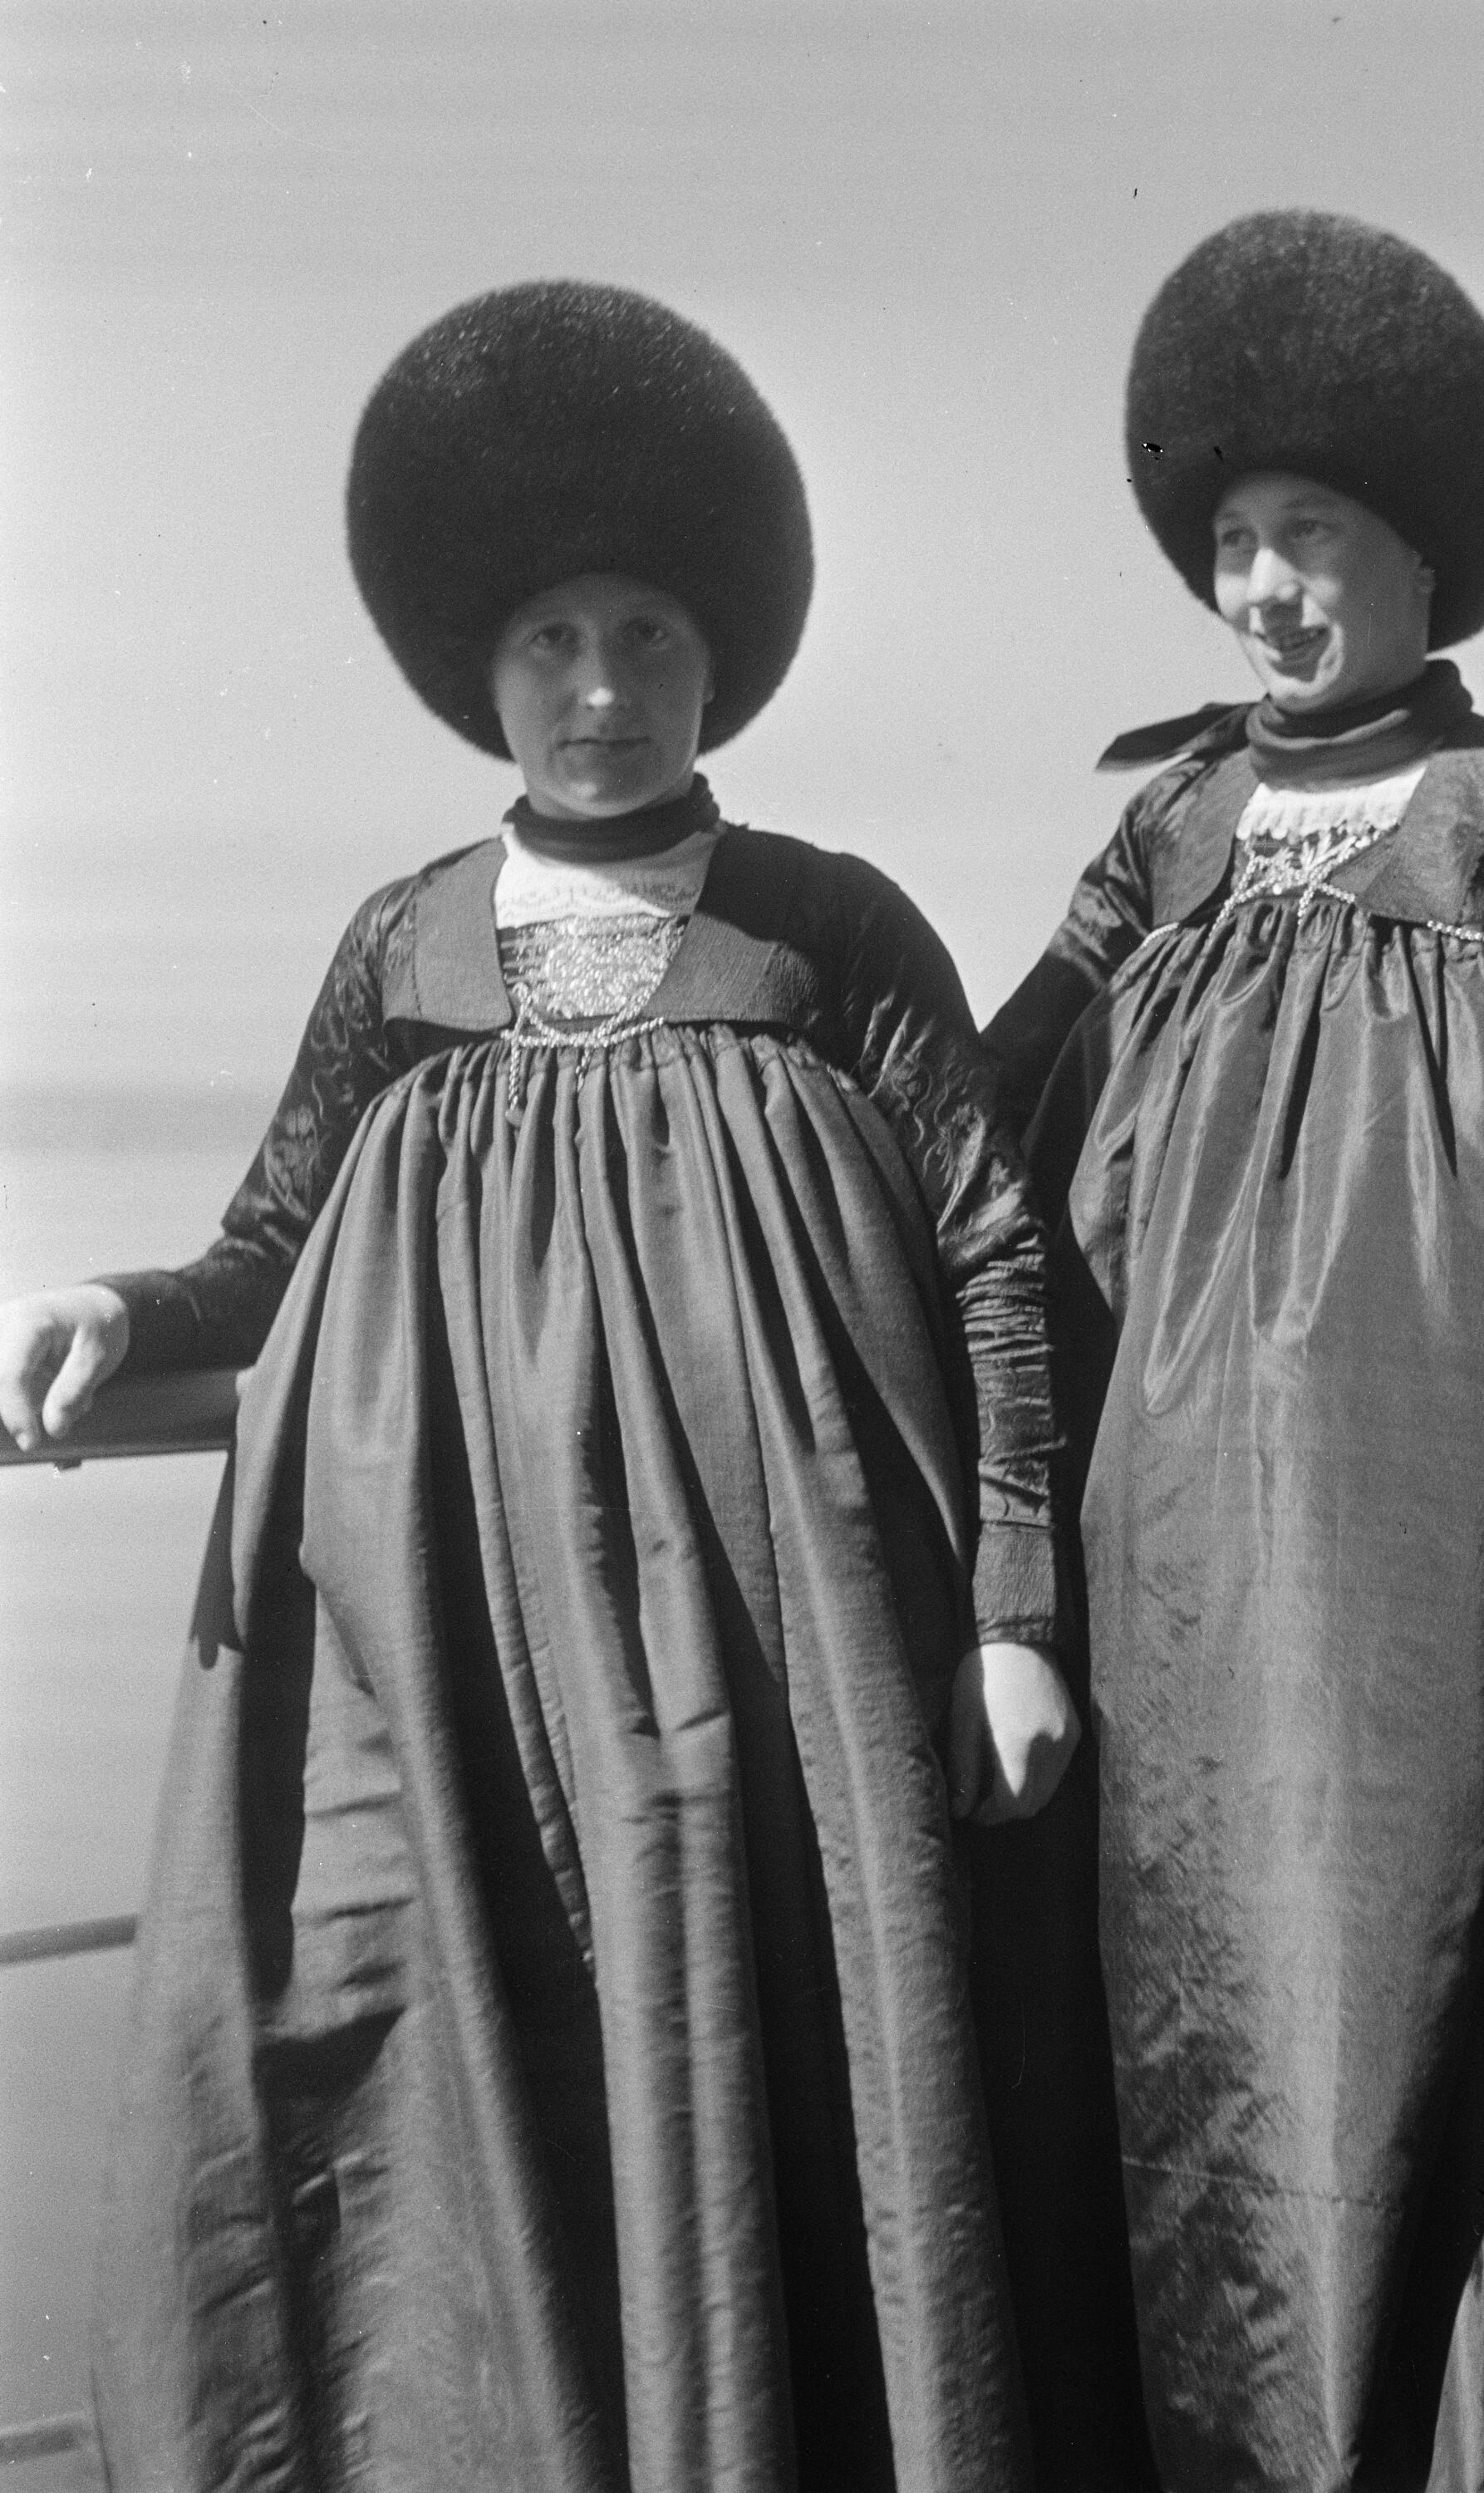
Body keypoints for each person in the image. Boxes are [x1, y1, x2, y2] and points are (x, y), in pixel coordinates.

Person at [0, 281, 1079, 2493]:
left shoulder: (829, 926)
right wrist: (120, 1307)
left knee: (779, 2084)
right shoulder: (401, 944)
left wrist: (1014, 1615)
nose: (600, 692)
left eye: (648, 638)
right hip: (475, 1669)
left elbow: (995, 1255)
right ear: (479, 667)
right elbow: (272, 1246)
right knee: (490, 2087)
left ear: (719, 656)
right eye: (552, 642)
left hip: (783, 1668)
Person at [979, 209, 1484, 2491]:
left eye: (1313, 537)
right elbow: (976, 1114)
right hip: (1170, 1586)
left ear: (1421, 551)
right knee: (1187, 2035)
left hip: (1439, 1581)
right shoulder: (1169, 828)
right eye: (1234, 545)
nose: (1269, 591)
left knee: (1413, 2013)